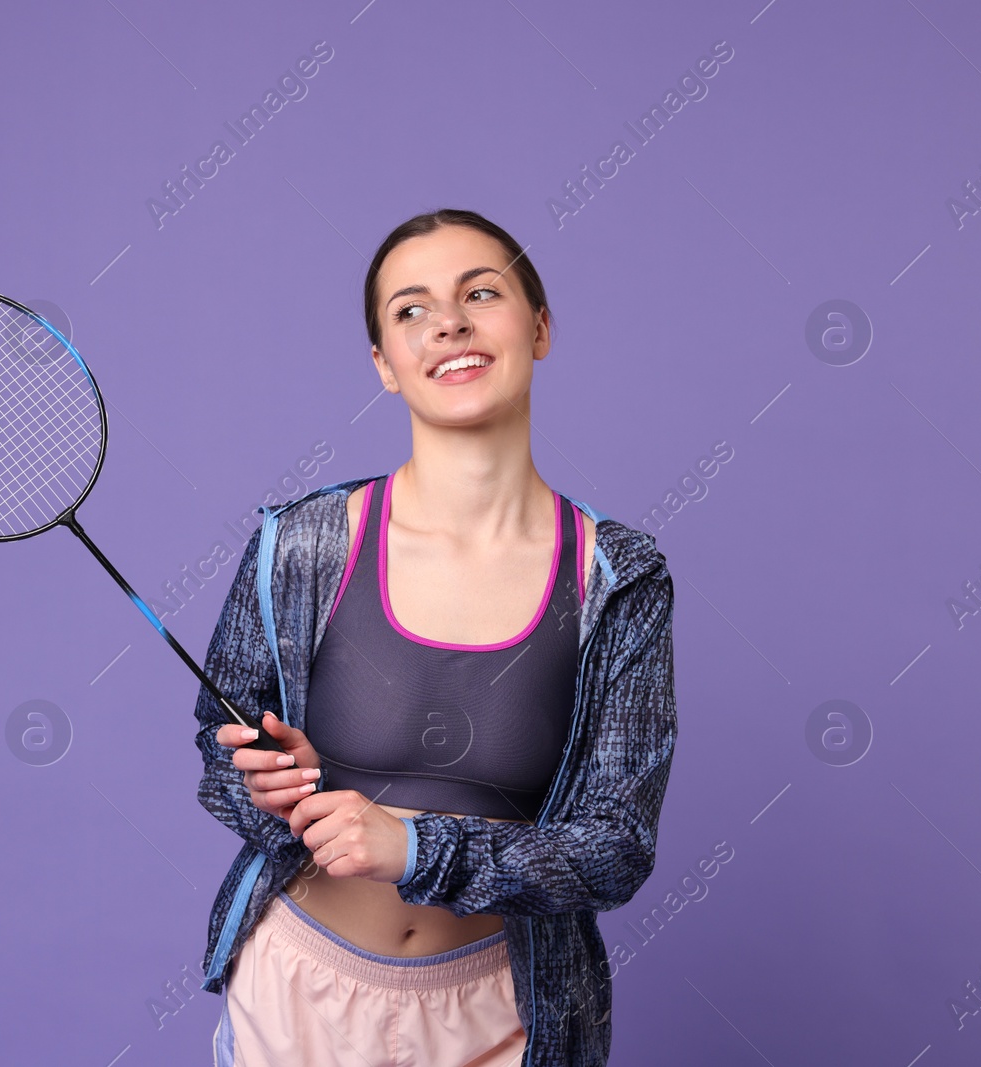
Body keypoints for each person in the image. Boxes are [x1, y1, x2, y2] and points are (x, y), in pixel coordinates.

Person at [194, 208, 678, 1066]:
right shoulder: (301, 544)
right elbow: (219, 756)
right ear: (384, 364)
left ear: (539, 326)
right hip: (296, 992)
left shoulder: (618, 578)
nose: (448, 322)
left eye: (480, 293)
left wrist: (414, 844)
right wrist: (266, 787)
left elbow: (615, 847)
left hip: (502, 1012)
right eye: (411, 309)